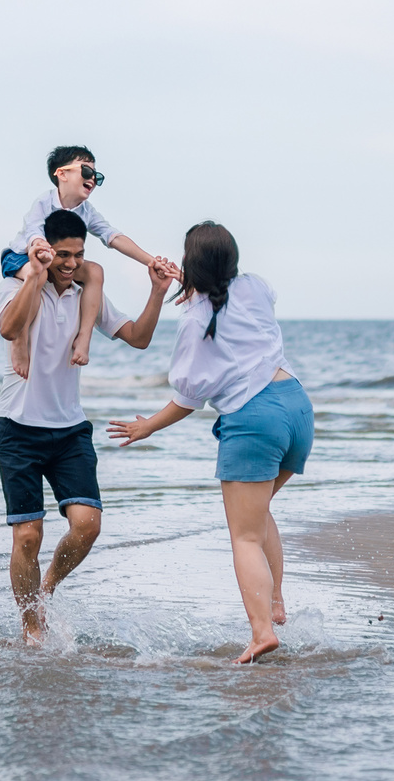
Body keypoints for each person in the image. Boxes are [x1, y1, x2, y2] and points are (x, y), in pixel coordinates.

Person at [107, 221, 312, 664]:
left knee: (243, 536)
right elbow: (238, 294)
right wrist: (202, 286)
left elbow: (189, 397)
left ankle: (261, 633)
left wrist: (146, 427)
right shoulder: (254, 287)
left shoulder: (195, 321)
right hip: (296, 406)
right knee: (257, 517)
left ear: (187, 265)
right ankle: (275, 603)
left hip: (256, 418)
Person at [0, 207, 176, 644]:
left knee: (88, 524)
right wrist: (35, 277)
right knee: (27, 536)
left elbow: (137, 336)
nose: (71, 263)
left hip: (70, 429)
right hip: (17, 426)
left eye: (77, 254)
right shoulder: (15, 284)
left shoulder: (85, 294)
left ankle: (48, 586)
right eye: (62, 254)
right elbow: (8, 327)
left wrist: (156, 293)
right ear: (43, 250)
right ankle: (31, 625)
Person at [0, 145, 176, 376]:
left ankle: (84, 337)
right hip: (22, 257)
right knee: (40, 274)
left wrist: (151, 261)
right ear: (62, 174)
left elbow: (113, 236)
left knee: (95, 271)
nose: (92, 178)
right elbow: (33, 231)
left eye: (96, 176)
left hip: (52, 260)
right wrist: (40, 248)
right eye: (86, 171)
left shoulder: (86, 210)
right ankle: (20, 342)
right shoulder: (43, 203)